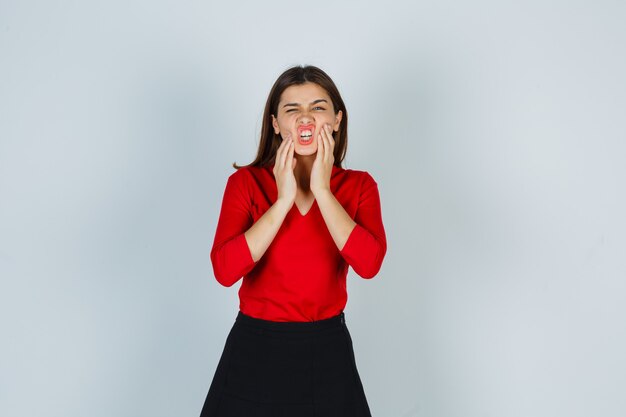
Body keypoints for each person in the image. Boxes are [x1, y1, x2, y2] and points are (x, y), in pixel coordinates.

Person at [199, 65, 387, 417]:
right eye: (292, 109)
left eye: (318, 108)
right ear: (276, 124)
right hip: (254, 349)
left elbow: (370, 264)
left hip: (327, 351)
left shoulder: (360, 186)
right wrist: (283, 200)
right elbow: (225, 271)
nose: (306, 119)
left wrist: (322, 190)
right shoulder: (245, 184)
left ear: (336, 120)